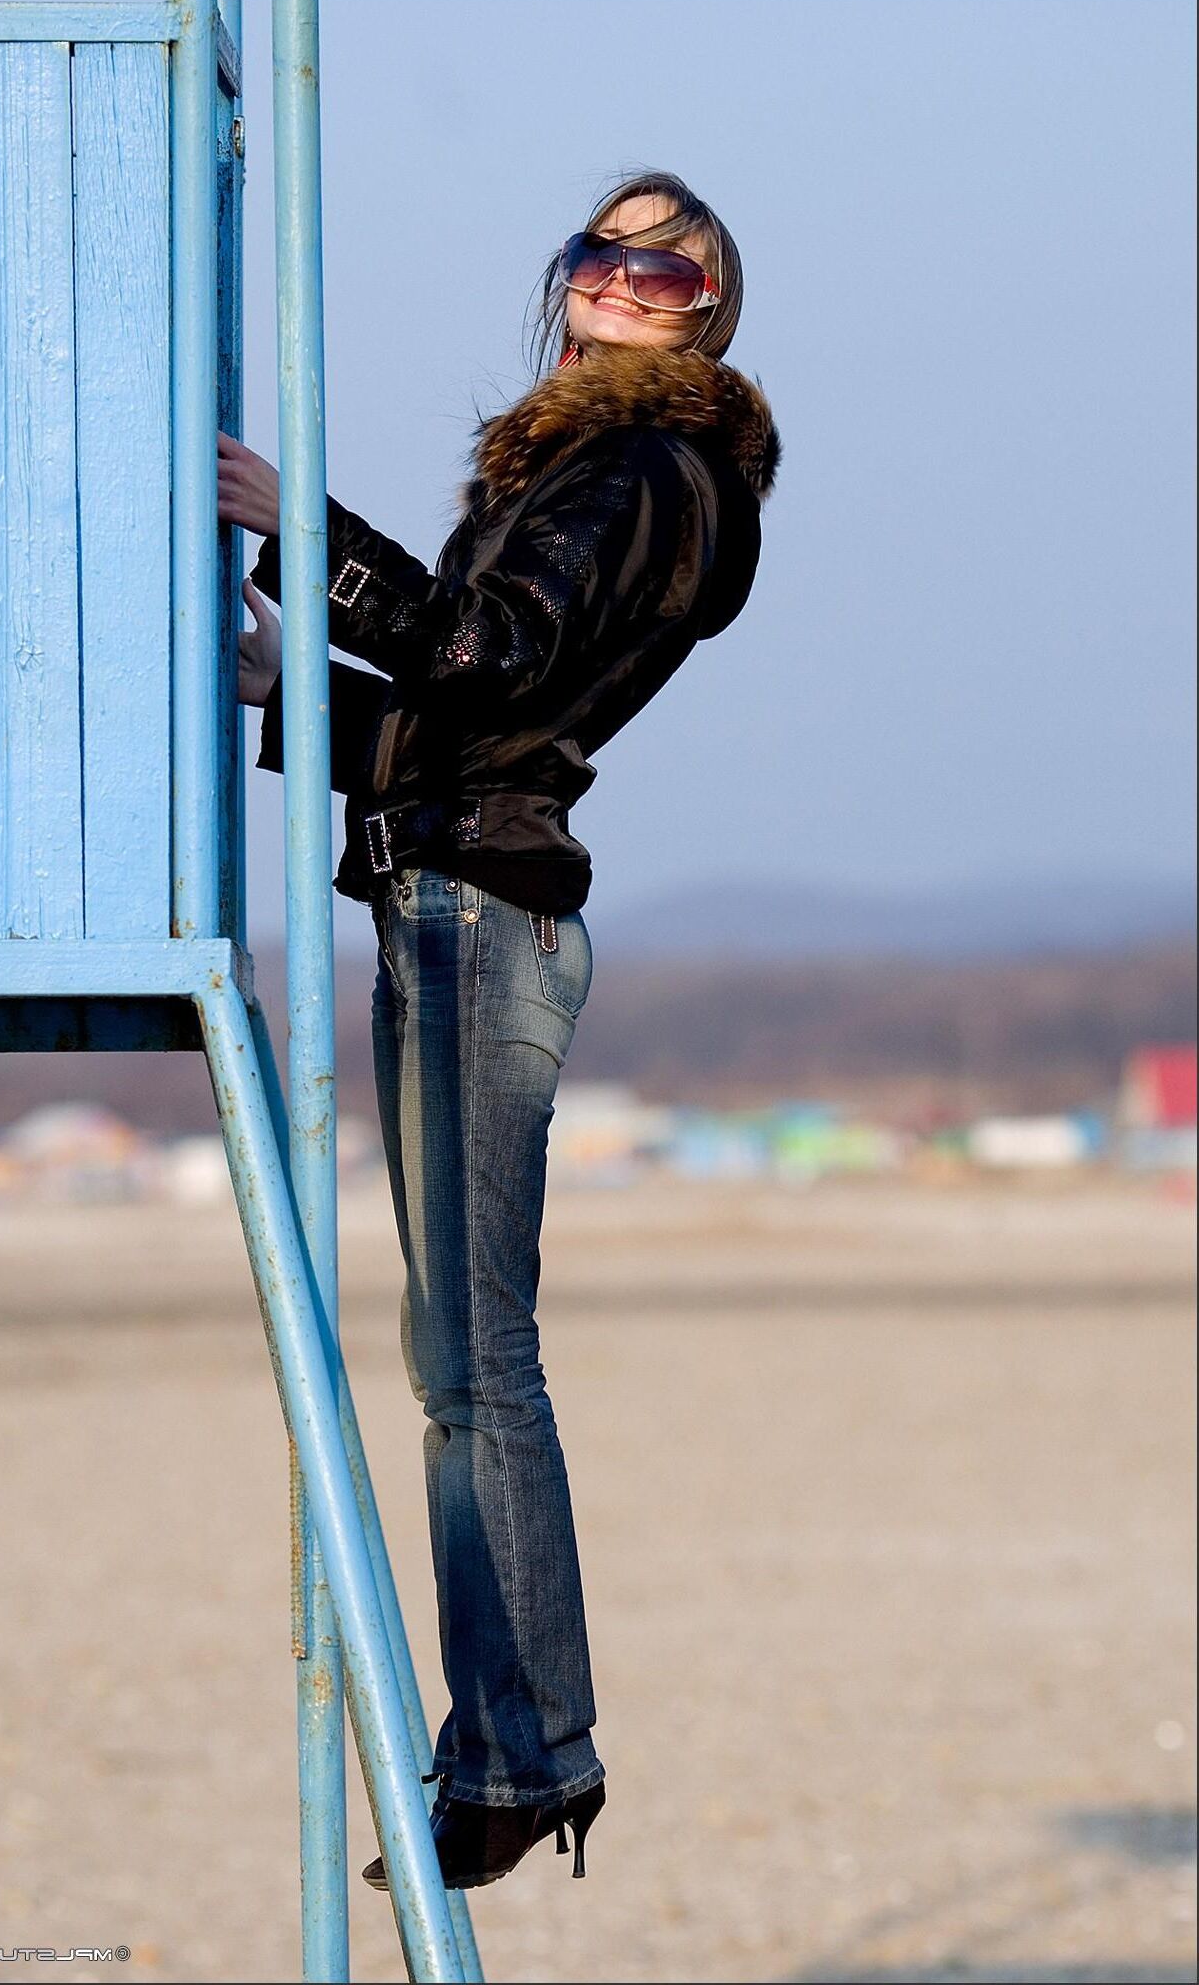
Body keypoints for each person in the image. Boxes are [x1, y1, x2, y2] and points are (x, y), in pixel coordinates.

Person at [216, 168, 781, 1892]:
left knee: (477, 1365)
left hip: (481, 925)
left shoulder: (649, 471)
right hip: (449, 905)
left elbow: (490, 652)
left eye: (660, 264)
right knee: (456, 1359)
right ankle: (513, 1746)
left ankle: (529, 1752)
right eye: (594, 253)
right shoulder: (585, 466)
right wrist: (286, 693)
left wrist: (296, 533)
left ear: (709, 307)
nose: (618, 279)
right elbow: (494, 712)